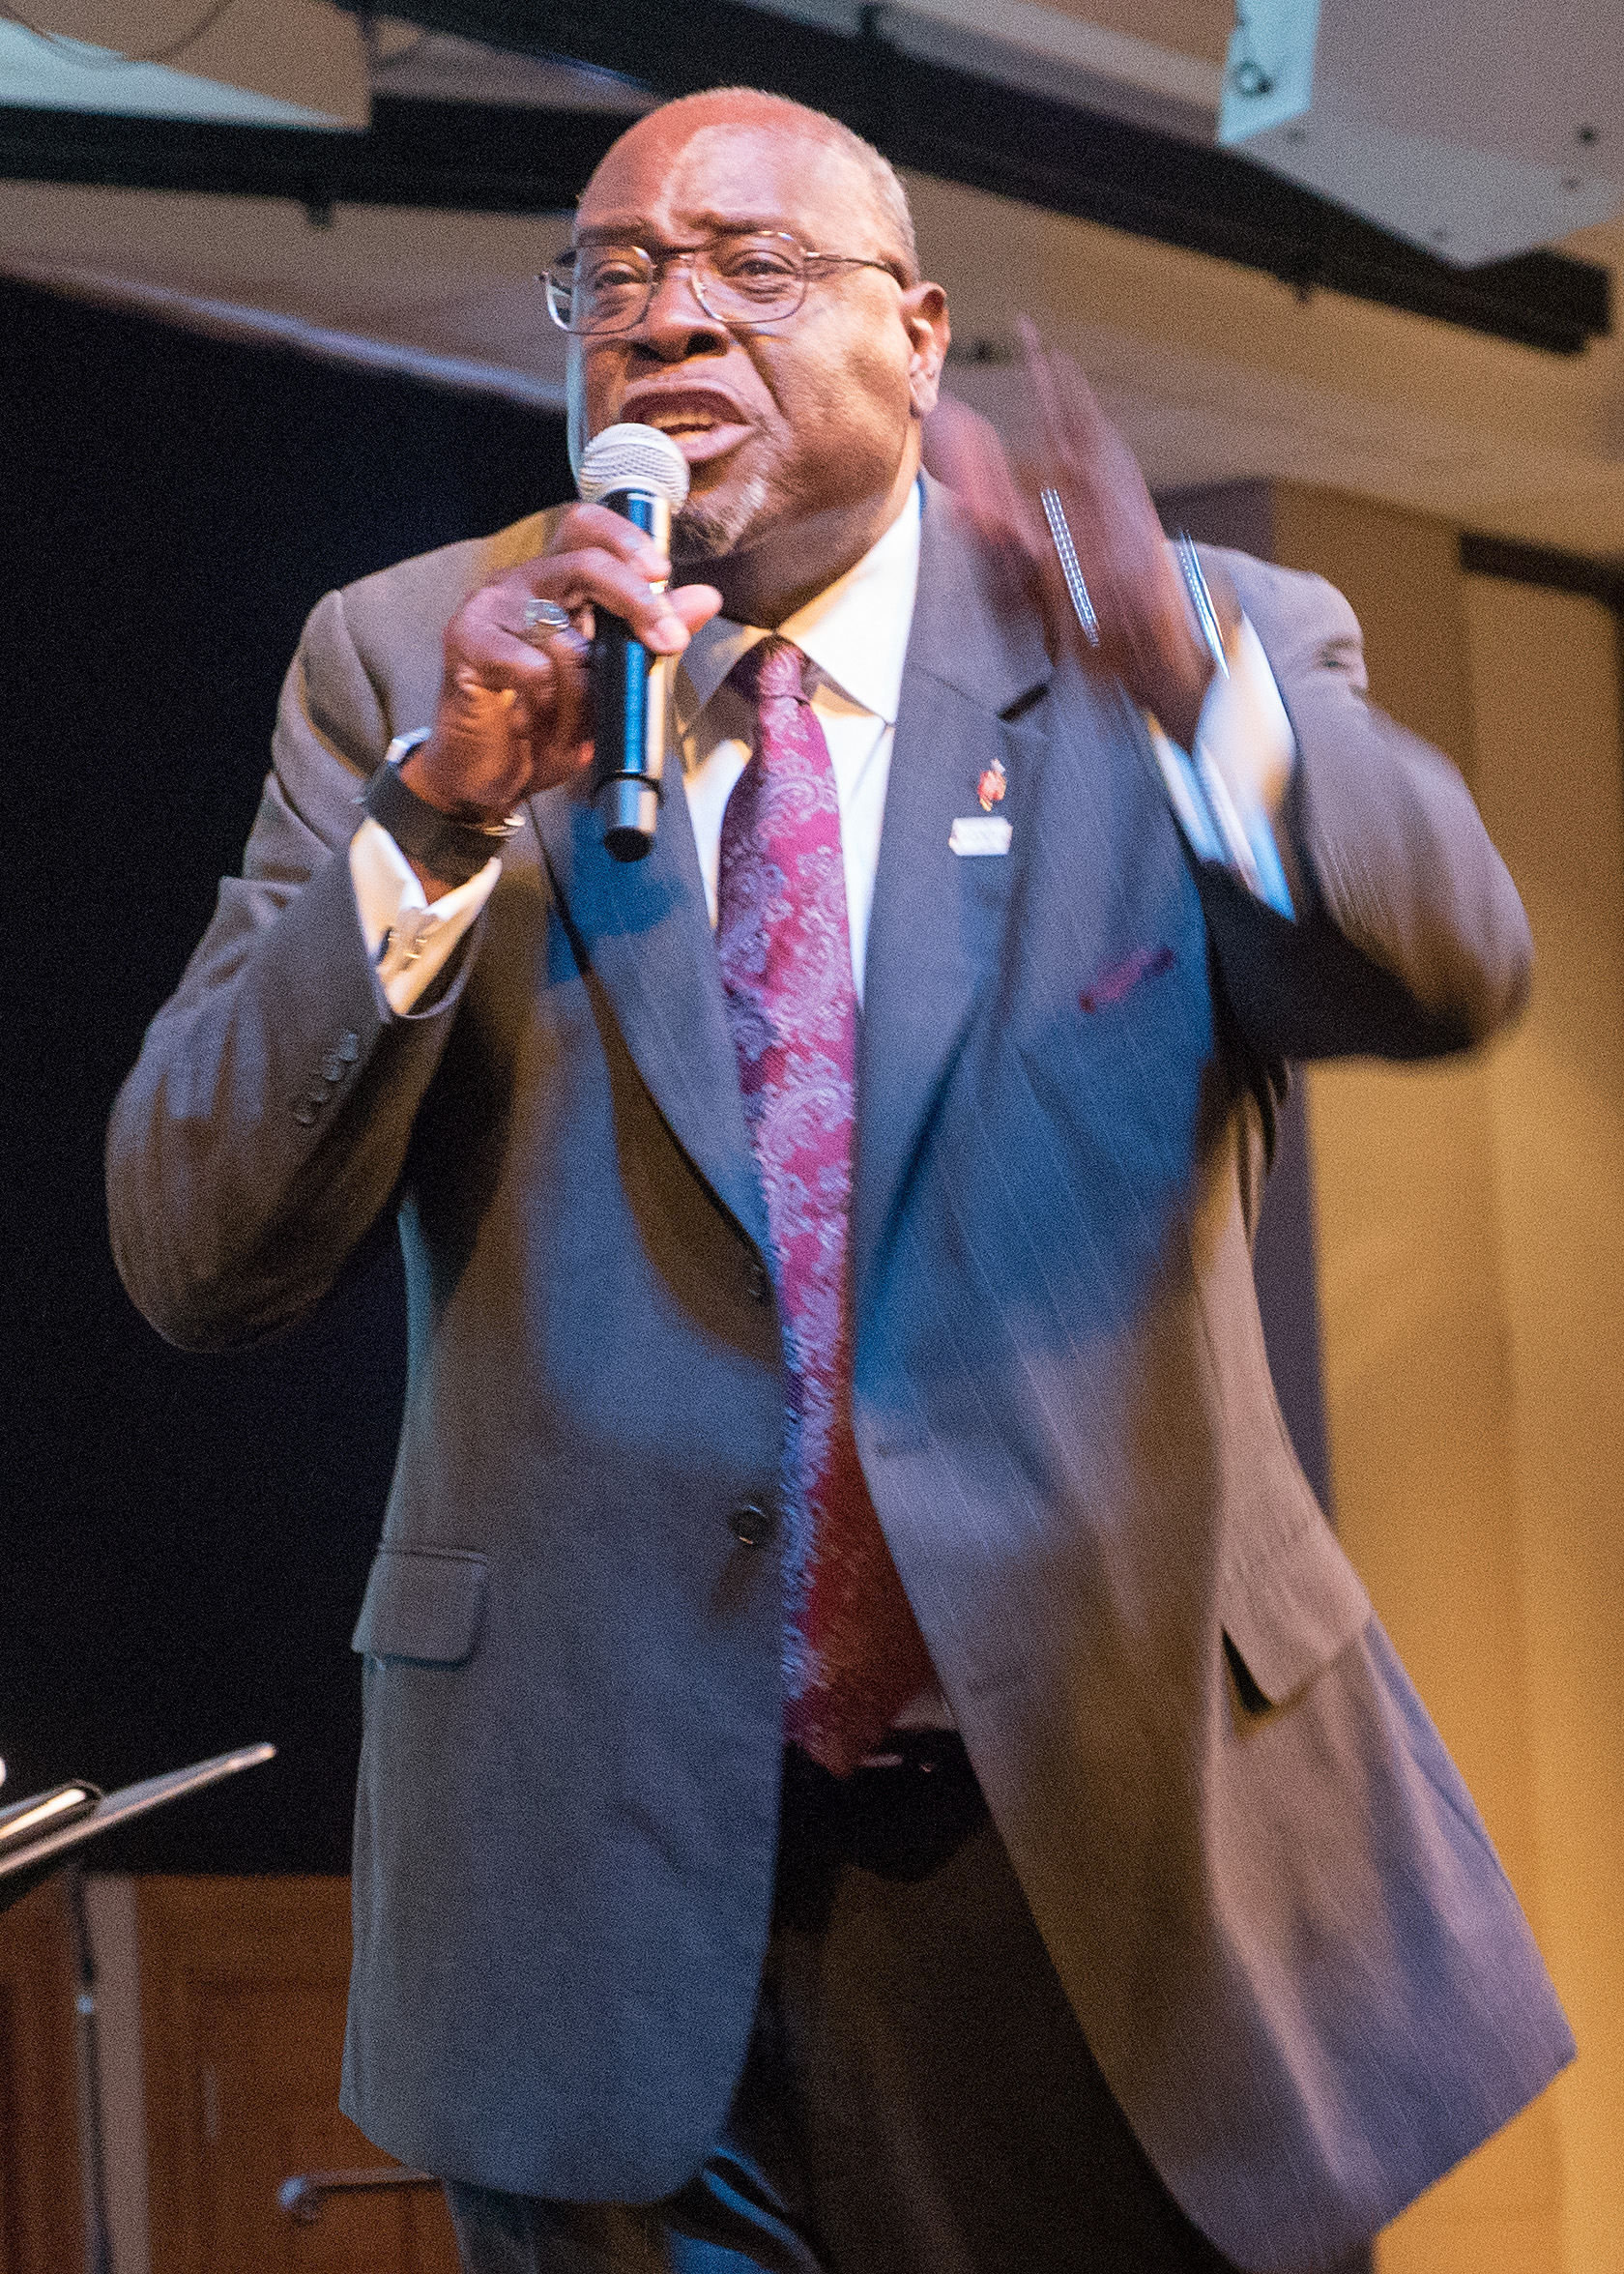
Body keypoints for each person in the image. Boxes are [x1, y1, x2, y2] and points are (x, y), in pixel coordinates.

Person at [106, 84, 1572, 2274]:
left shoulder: (1161, 629)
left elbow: (1448, 963)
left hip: (1104, 1867)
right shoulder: (416, 660)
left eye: (751, 269)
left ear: (919, 330)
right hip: (592, 1886)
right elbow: (192, 1245)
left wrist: (1195, 698)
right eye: (616, 280)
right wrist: (433, 824)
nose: (670, 317)